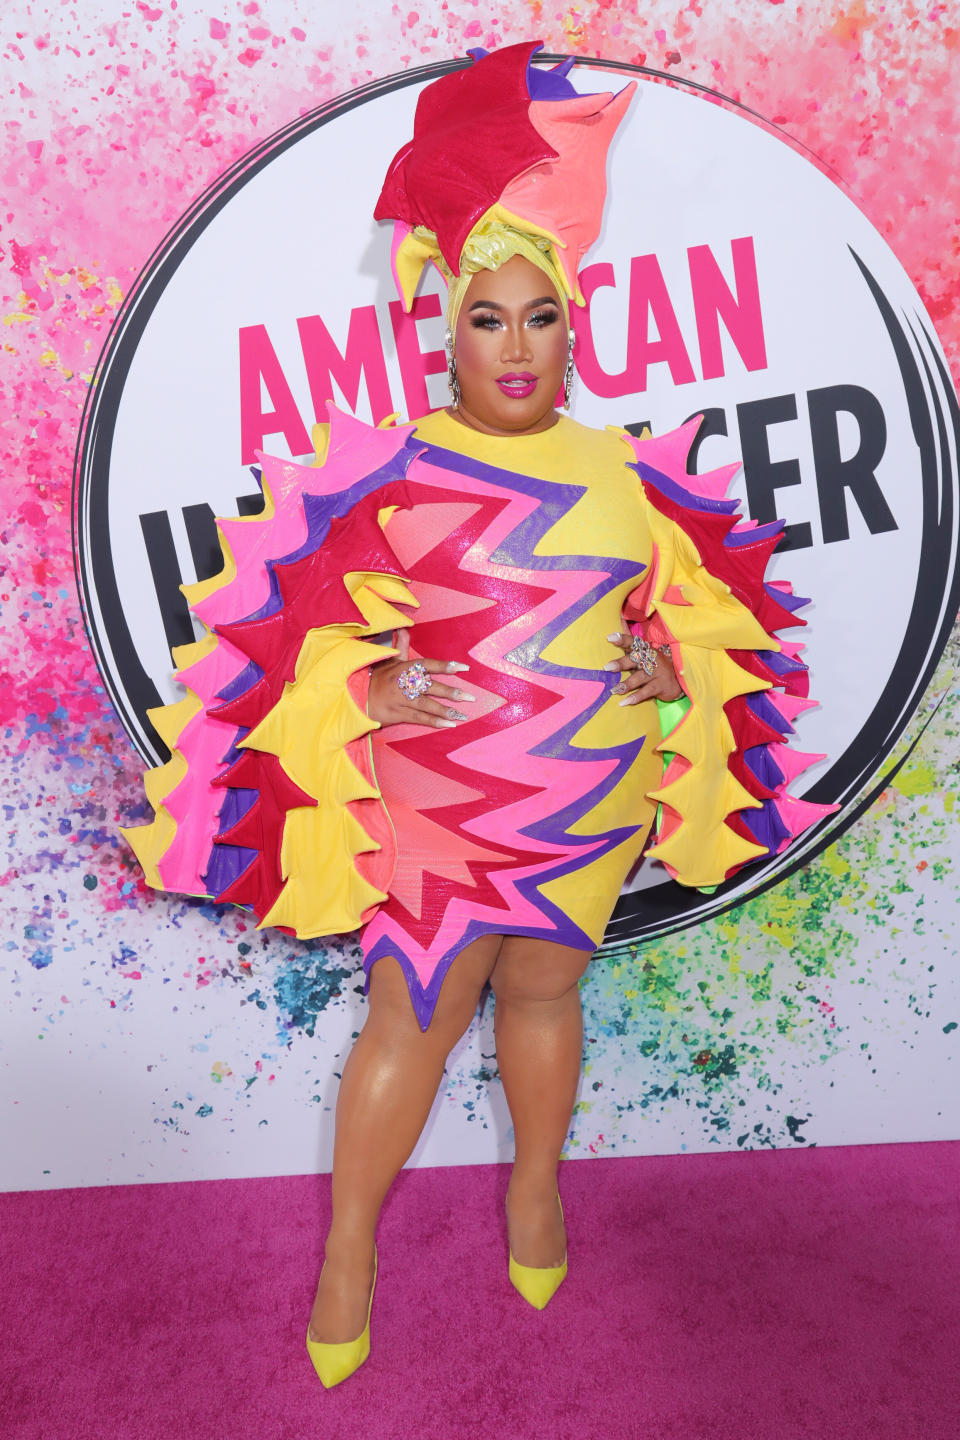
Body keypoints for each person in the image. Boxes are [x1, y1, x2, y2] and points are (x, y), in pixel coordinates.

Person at [124, 42, 830, 1389]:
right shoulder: (384, 473)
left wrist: (670, 676)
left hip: (592, 804)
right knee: (415, 1008)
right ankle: (348, 1248)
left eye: (542, 317)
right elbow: (281, 653)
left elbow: (706, 635)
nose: (517, 345)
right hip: (440, 807)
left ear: (577, 322)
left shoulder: (636, 477)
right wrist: (376, 687)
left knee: (549, 994)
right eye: (489, 319)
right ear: (443, 326)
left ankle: (535, 1194)